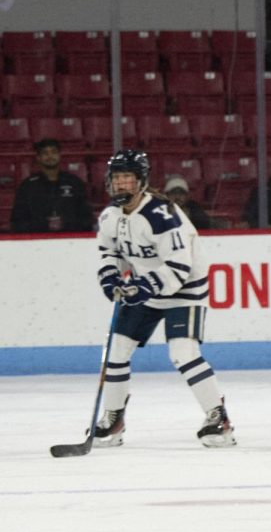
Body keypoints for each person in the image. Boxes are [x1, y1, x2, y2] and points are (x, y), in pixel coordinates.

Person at [91, 149, 236, 448]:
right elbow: (110, 252)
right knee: (115, 350)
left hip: (185, 290)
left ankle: (218, 418)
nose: (121, 185)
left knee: (183, 353)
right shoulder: (109, 216)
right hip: (147, 288)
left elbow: (180, 266)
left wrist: (143, 286)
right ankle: (114, 419)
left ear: (141, 181)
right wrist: (110, 278)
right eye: (117, 179)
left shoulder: (162, 215)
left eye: (127, 179)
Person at [9, 137, 94, 233]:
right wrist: (44, 225)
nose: (50, 156)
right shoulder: (27, 186)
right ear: (38, 158)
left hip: (70, 240)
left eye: (53, 152)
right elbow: (17, 223)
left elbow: (87, 219)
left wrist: (65, 224)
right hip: (37, 242)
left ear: (59, 155)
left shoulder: (74, 183)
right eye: (45, 153)